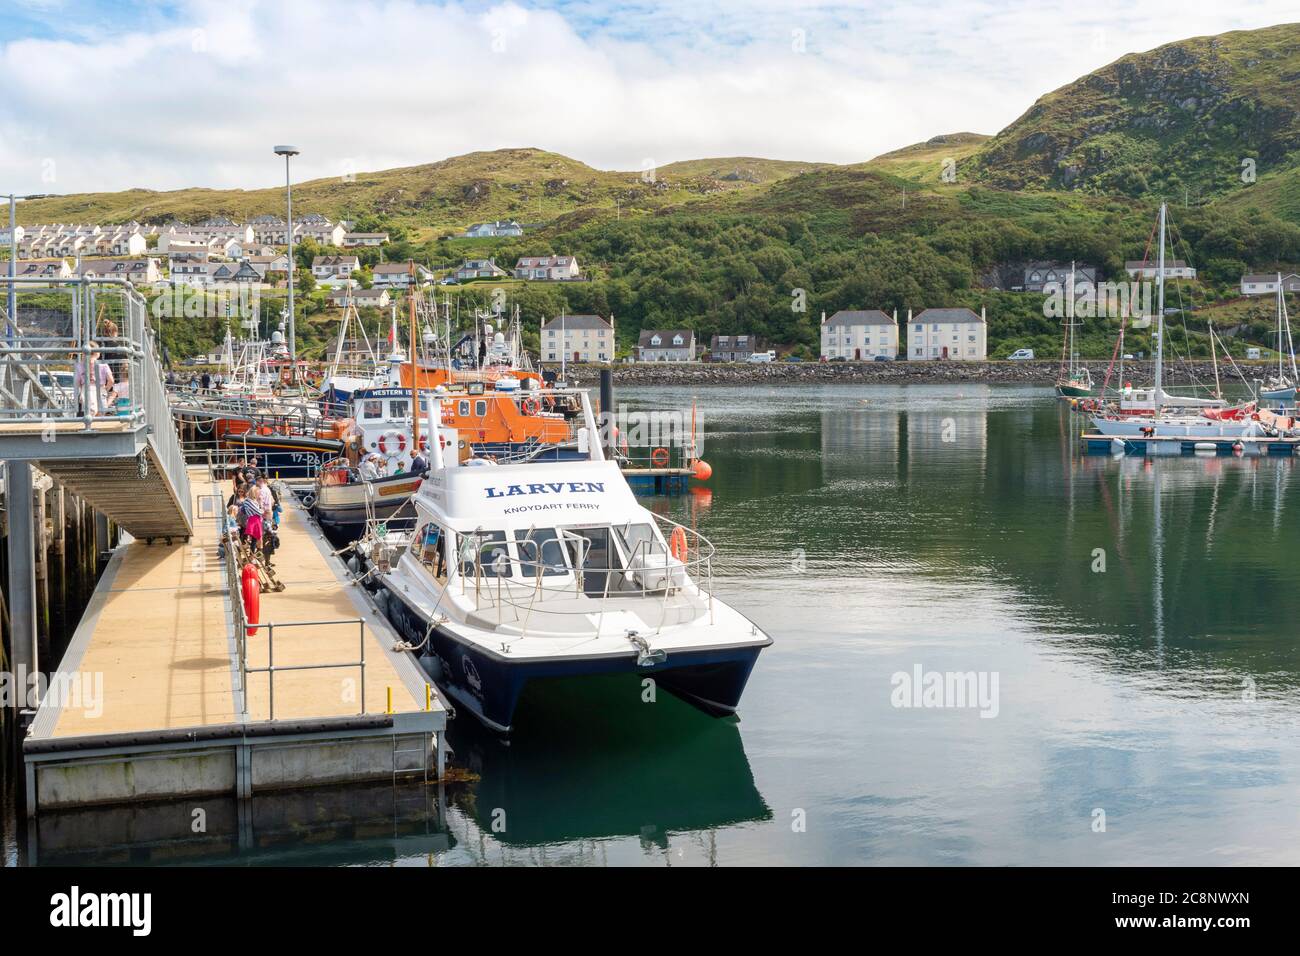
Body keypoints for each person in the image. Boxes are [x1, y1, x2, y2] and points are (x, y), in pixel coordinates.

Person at [73, 342, 115, 416]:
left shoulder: (79, 366)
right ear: (97, 353)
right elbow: (111, 380)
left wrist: (81, 388)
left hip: (86, 388)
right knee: (101, 411)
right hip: (100, 388)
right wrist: (106, 388)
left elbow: (77, 381)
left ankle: (90, 424)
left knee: (90, 412)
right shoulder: (103, 366)